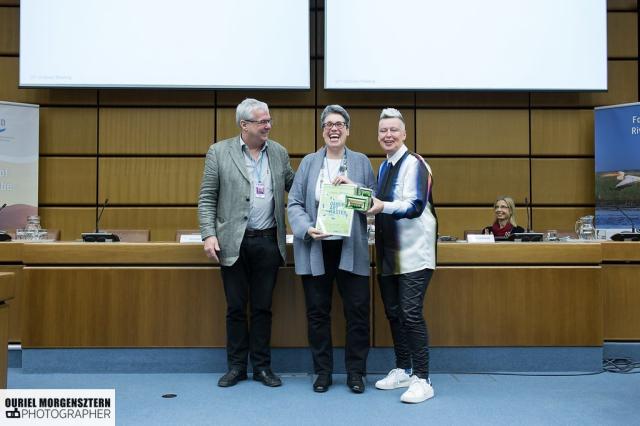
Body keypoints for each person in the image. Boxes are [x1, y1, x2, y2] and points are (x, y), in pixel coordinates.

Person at [198, 98, 295, 388]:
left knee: (263, 308)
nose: (268, 125)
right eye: (262, 121)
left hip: (268, 241)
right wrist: (208, 234)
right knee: (236, 308)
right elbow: (206, 198)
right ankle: (237, 367)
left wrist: (329, 194)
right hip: (232, 244)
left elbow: (296, 188)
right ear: (244, 125)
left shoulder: (278, 152)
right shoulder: (219, 152)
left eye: (269, 120)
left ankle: (263, 368)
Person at [287, 105, 375, 394]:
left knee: (358, 313)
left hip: (352, 250)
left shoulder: (361, 162)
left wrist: (354, 186)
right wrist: (305, 228)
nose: (333, 129)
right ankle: (322, 372)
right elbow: (295, 203)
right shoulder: (310, 163)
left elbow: (373, 205)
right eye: (328, 125)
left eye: (339, 124)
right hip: (316, 249)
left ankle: (356, 373)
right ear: (322, 130)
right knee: (317, 313)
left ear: (348, 130)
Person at [367, 108, 437, 404]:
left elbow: (415, 206)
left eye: (393, 130)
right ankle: (404, 369)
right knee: (394, 314)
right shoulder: (383, 167)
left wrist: (381, 207)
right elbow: (377, 205)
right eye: (383, 131)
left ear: (404, 134)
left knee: (410, 314)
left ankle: (423, 378)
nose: (388, 135)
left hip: (414, 255)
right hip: (388, 255)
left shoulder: (416, 164)